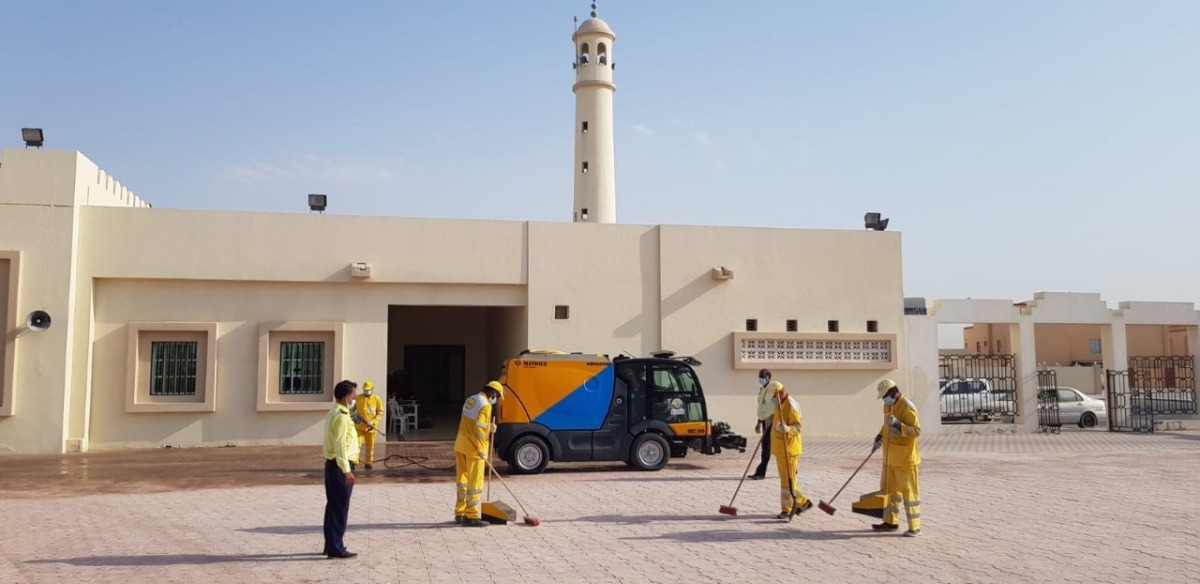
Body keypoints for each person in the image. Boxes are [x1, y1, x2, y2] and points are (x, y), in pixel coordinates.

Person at [872, 378, 922, 537]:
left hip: (905, 460)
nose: (884, 399)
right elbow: (886, 424)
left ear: (893, 392)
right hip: (889, 458)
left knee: (909, 493)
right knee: (888, 491)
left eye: (885, 395)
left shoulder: (908, 408)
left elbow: (916, 431)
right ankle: (890, 522)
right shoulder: (887, 405)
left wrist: (898, 426)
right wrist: (879, 436)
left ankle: (914, 527)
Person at [454, 381, 504, 527]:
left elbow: (473, 423)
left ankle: (460, 513)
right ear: (493, 393)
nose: (496, 400)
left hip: (461, 444)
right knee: (475, 483)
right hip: (474, 450)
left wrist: (490, 427)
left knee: (462, 480)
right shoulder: (486, 405)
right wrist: (482, 450)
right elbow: (479, 430)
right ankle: (472, 516)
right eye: (497, 396)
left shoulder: (471, 399)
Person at [322, 380, 360, 558]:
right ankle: (336, 547)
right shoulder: (342, 417)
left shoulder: (335, 411)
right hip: (339, 466)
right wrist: (347, 470)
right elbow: (340, 446)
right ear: (346, 398)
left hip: (332, 464)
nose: (355, 398)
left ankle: (330, 543)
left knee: (333, 506)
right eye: (353, 395)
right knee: (340, 508)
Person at [768, 380, 812, 519]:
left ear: (781, 393)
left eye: (774, 396)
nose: (772, 398)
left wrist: (787, 429)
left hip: (789, 450)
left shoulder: (791, 406)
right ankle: (791, 506)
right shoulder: (779, 404)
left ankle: (799, 503)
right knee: (785, 480)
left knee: (789, 480)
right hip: (780, 449)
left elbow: (797, 427)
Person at [748, 369, 774, 480]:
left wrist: (771, 419)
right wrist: (758, 423)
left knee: (767, 447)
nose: (760, 379)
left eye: (762, 376)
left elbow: (773, 406)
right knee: (766, 447)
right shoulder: (762, 390)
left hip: (771, 421)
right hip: (764, 420)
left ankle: (761, 473)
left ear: (768, 377)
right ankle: (760, 472)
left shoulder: (772, 389)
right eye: (759, 377)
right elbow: (761, 408)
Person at [355, 380, 384, 470]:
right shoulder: (358, 398)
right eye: (365, 390)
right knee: (356, 444)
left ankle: (368, 462)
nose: (366, 391)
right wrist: (354, 417)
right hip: (359, 426)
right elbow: (352, 410)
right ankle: (354, 461)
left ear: (372, 389)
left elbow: (380, 413)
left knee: (369, 446)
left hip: (371, 428)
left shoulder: (377, 399)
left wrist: (374, 422)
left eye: (368, 390)